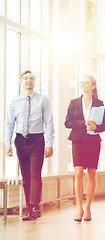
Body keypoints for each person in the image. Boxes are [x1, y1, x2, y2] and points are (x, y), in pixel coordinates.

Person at [4, 70, 55, 221]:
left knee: (35, 174)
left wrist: (50, 143)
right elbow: (9, 124)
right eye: (26, 79)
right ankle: (29, 208)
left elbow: (49, 122)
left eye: (31, 79)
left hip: (37, 140)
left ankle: (34, 206)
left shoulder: (42, 100)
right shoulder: (14, 101)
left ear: (34, 82)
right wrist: (8, 144)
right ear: (21, 82)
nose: (29, 81)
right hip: (20, 141)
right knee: (26, 176)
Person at [64, 75, 105, 223]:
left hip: (93, 142)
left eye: (86, 83)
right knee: (78, 174)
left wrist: (96, 126)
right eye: (81, 82)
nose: (83, 85)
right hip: (78, 141)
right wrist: (83, 123)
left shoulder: (99, 103)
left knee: (91, 174)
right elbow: (67, 123)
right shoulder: (74, 102)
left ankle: (88, 206)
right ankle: (79, 207)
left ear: (93, 86)